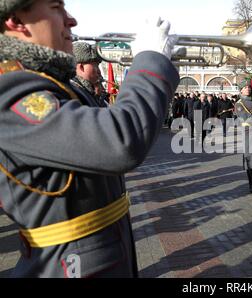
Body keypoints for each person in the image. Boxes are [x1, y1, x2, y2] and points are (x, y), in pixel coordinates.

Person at [0, 0, 179, 278]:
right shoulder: (11, 90)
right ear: (16, 21)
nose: (71, 20)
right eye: (56, 7)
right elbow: (121, 141)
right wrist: (151, 60)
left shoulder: (53, 83)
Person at [235, 79, 252, 193]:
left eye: (249, 87)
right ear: (241, 90)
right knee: (249, 157)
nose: (248, 89)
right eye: (245, 87)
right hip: (247, 133)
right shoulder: (239, 104)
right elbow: (244, 119)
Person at [71, 42, 107, 107]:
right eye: (95, 66)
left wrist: (99, 96)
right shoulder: (74, 93)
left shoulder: (86, 90)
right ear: (81, 67)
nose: (99, 71)